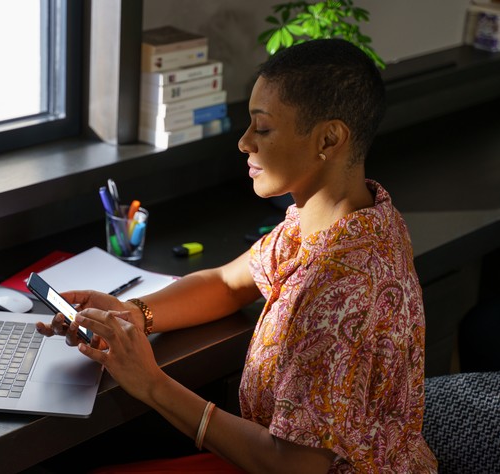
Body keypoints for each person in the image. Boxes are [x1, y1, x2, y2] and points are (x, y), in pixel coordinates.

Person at [37, 38, 438, 473]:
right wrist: (134, 313)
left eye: (262, 129)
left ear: (329, 138)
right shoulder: (350, 217)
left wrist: (151, 383)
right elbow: (230, 283)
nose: (245, 142)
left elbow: (289, 466)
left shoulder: (343, 289)